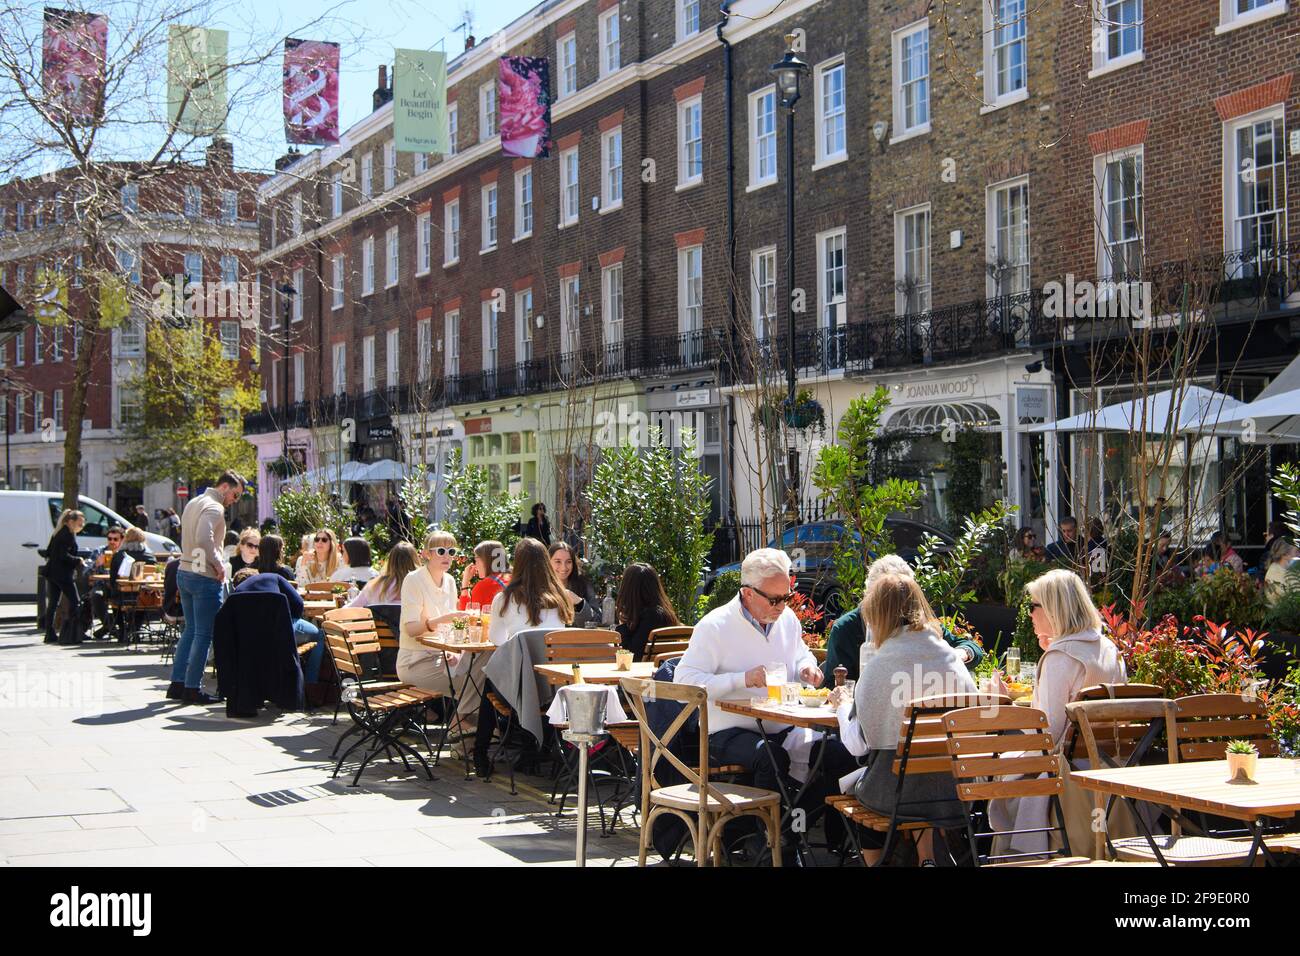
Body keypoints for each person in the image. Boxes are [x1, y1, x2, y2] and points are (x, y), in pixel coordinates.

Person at [989, 568, 1126, 855]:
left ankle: (1015, 858)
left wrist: (1005, 706)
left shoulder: (1060, 658)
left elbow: (1044, 736)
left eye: (1033, 606)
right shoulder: (1109, 650)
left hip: (1066, 776)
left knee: (993, 773)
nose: (1029, 614)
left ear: (1053, 609)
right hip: (1112, 768)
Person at [674, 548, 822, 795]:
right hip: (725, 732)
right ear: (747, 593)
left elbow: (801, 654)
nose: (782, 606)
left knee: (834, 754)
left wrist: (807, 668)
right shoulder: (715, 626)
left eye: (786, 597)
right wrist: (741, 679)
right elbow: (683, 685)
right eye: (774, 599)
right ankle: (761, 831)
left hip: (783, 727)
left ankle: (790, 825)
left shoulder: (787, 620)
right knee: (771, 757)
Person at [853, 572, 975, 865]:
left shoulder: (879, 665)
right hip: (953, 791)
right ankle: (926, 859)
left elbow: (862, 743)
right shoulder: (949, 657)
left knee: (861, 777)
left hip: (892, 794)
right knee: (920, 767)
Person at [475, 537, 575, 776]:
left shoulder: (505, 598)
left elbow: (497, 640)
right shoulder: (560, 598)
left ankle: (480, 753)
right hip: (553, 690)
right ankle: (532, 750)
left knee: (490, 681)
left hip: (519, 688)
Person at [821, 555, 983, 684]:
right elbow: (833, 686)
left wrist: (960, 653)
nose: (896, 610)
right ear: (869, 596)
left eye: (903, 599)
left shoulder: (917, 625)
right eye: (888, 600)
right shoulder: (846, 629)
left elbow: (971, 649)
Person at [168, 472, 245, 704]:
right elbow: (203, 537)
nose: (235, 500)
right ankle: (192, 688)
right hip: (203, 576)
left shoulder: (194, 501)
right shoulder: (215, 507)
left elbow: (196, 540)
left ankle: (177, 683)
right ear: (224, 487)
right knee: (203, 634)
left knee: (190, 631)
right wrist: (219, 563)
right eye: (235, 494)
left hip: (185, 570)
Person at [398, 531, 472, 730]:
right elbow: (411, 629)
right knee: (474, 684)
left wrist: (451, 651)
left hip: (440, 657)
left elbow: (448, 630)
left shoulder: (449, 581)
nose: (447, 556)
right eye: (441, 551)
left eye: (451, 551)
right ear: (426, 554)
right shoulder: (413, 580)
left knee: (481, 674)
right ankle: (462, 730)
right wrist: (442, 620)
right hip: (414, 661)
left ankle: (465, 731)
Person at [231, 567, 326, 682]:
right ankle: (310, 682)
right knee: (320, 634)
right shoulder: (272, 577)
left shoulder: (237, 593)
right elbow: (298, 603)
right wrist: (291, 617)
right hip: (282, 629)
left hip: (250, 638)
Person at [613, 562, 680, 660]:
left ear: (628, 590)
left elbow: (631, 657)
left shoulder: (652, 616)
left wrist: (623, 625)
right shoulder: (664, 613)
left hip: (646, 673)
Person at [44, 509, 88, 645]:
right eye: (80, 524)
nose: (82, 527)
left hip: (52, 572)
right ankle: (74, 632)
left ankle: (49, 633)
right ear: (71, 522)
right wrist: (78, 560)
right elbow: (63, 555)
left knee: (53, 604)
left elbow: (49, 552)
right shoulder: (67, 535)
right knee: (76, 602)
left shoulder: (58, 532)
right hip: (62, 574)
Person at [350, 542, 418, 608]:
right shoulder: (422, 583)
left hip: (382, 618)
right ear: (415, 560)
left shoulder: (375, 585)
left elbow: (352, 607)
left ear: (391, 560)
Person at [549, 540, 599, 624]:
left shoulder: (583, 584)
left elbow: (598, 620)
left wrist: (579, 603)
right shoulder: (541, 585)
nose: (563, 567)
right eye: (558, 561)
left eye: (568, 562)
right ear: (548, 562)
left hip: (578, 636)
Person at [89, 525, 125, 638]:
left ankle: (112, 627)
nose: (112, 542)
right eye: (109, 539)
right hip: (102, 585)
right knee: (96, 595)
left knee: (129, 598)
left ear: (121, 540)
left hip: (119, 586)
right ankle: (111, 627)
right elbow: (86, 571)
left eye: (115, 539)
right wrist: (96, 564)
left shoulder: (124, 554)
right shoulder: (99, 551)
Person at [458, 540, 510, 611]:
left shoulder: (483, 586)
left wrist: (465, 583)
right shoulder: (515, 578)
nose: (475, 565)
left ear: (485, 560)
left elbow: (466, 617)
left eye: (475, 560)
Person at [1264, 538, 1300, 606]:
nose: (1299, 555)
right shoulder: (1275, 575)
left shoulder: (1286, 569)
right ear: (1285, 554)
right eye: (1297, 551)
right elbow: (1287, 604)